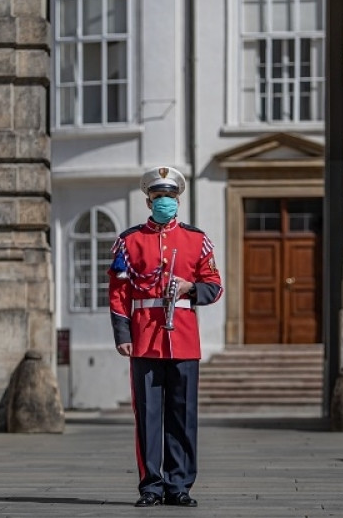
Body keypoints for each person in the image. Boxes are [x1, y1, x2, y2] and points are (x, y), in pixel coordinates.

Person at [109, 166, 223, 507]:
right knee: (148, 416)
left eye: (170, 197)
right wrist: (122, 333)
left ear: (178, 200)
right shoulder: (129, 241)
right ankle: (151, 486)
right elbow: (118, 291)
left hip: (184, 337)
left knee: (182, 414)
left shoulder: (197, 240)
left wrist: (191, 287)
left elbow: (215, 287)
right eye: (159, 197)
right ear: (148, 201)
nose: (165, 202)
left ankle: (179, 485)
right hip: (144, 336)